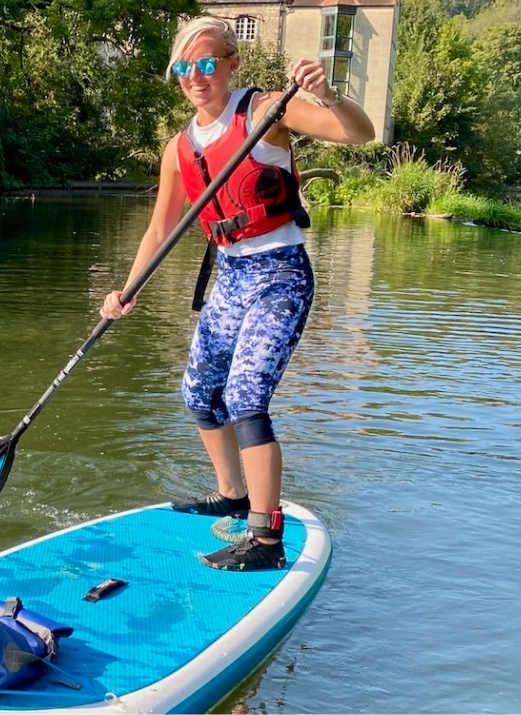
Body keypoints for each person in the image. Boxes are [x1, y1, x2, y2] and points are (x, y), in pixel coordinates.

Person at [99, 16, 375, 571]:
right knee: (200, 393)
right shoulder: (179, 146)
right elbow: (159, 230)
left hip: (280, 275)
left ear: (231, 64)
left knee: (247, 397)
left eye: (206, 64)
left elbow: (358, 133)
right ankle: (232, 495)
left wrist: (328, 96)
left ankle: (266, 539)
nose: (196, 77)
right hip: (230, 277)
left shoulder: (266, 110)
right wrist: (126, 290)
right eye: (184, 67)